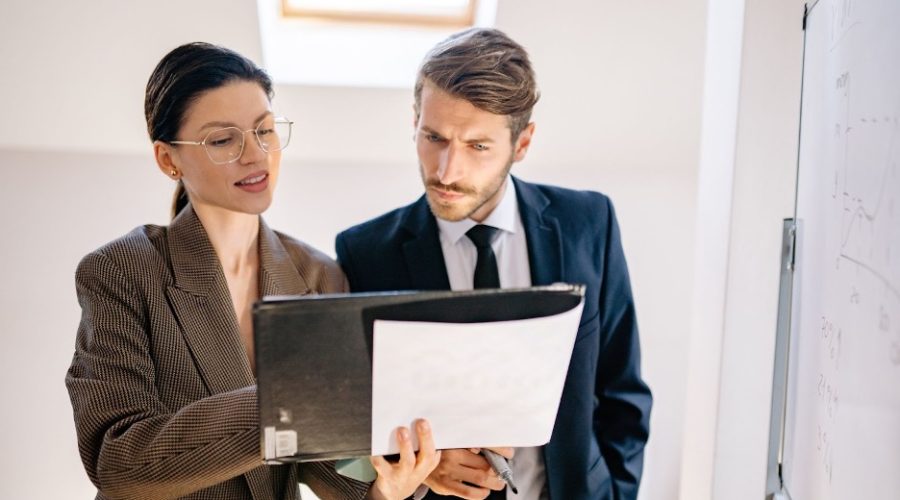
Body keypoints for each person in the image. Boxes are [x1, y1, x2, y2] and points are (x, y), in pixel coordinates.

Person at [65, 42, 439, 500]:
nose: (255, 155)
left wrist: (387, 488)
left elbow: (323, 466)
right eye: (223, 140)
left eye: (264, 131)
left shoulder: (319, 276)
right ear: (168, 159)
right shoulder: (121, 271)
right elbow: (118, 459)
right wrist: (285, 403)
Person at [335, 28, 652, 500]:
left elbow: (622, 390)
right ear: (415, 120)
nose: (446, 171)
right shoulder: (365, 251)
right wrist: (425, 471)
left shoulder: (590, 222)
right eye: (433, 137)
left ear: (522, 143)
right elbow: (350, 426)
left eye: (477, 146)